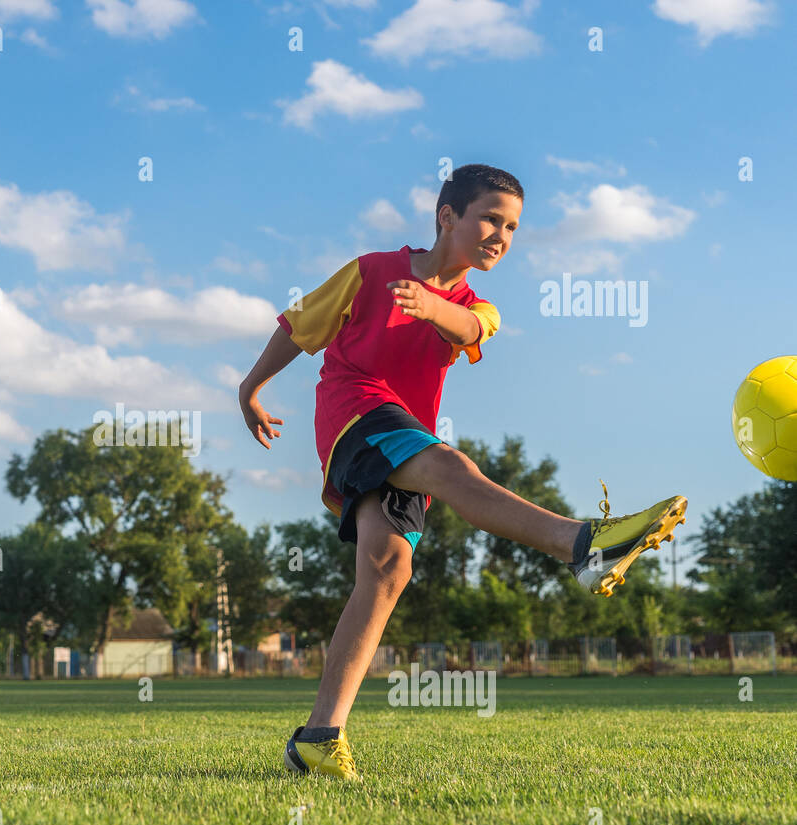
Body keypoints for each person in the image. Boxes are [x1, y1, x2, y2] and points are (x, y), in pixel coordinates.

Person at [237, 164, 687, 780]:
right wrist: (251, 386)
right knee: (450, 464)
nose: (501, 235)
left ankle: (317, 737)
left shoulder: (477, 306)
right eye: (489, 219)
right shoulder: (370, 271)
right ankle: (581, 544)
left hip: (403, 434)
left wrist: (430, 306)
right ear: (447, 216)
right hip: (354, 412)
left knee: (388, 572)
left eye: (512, 227)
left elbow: (471, 328)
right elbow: (299, 325)